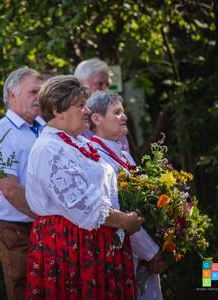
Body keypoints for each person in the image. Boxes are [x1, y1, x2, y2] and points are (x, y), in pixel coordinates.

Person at [25, 75, 145, 299]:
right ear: (58, 110)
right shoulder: (49, 149)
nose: (87, 111)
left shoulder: (78, 142)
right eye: (80, 105)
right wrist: (125, 220)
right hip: (71, 245)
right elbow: (83, 206)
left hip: (94, 239)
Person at [87, 91, 166, 300]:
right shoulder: (95, 156)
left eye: (123, 112)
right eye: (117, 112)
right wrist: (150, 252)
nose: (125, 117)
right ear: (97, 119)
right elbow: (121, 211)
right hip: (125, 252)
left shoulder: (123, 153)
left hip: (141, 252)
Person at [0, 67, 44, 300]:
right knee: (25, 290)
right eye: (33, 91)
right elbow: (8, 188)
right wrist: (46, 215)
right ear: (12, 95)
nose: (40, 96)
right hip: (16, 230)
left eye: (42, 90)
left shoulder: (45, 128)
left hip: (44, 223)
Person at [74, 57, 131, 152]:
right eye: (99, 84)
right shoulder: (71, 122)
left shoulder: (115, 121)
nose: (105, 90)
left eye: (107, 85)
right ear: (80, 84)